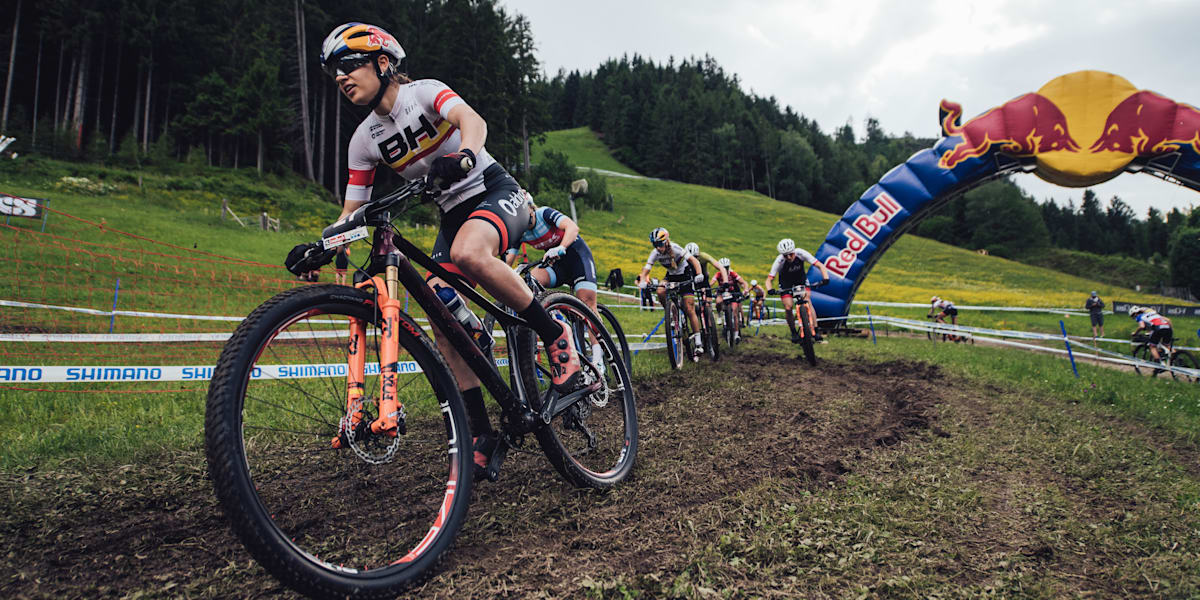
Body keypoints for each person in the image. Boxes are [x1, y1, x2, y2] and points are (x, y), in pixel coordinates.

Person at [305, 22, 580, 476]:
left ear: (383, 63)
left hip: (492, 189)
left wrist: (467, 154)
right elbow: (352, 211)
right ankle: (481, 430)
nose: (340, 78)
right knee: (438, 311)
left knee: (471, 252)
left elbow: (473, 121)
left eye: (348, 66)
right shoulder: (363, 140)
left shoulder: (425, 94)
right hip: (452, 215)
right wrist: (320, 244)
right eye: (334, 73)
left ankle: (555, 334)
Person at [504, 192, 604, 369]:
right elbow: (507, 260)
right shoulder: (518, 231)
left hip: (576, 257)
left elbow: (572, 228)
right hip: (555, 264)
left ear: (530, 208)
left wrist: (562, 247)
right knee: (530, 282)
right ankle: (551, 314)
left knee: (587, 304)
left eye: (522, 211)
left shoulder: (545, 213)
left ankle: (599, 357)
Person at [636, 227, 706, 357]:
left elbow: (694, 261)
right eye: (655, 245)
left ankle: (698, 342)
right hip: (671, 276)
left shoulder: (676, 248)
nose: (658, 247)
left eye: (660, 244)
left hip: (685, 275)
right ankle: (671, 313)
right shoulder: (655, 253)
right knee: (660, 291)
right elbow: (647, 268)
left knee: (689, 308)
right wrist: (643, 281)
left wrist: (699, 274)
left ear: (666, 241)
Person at [764, 238, 829, 343]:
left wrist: (825, 278)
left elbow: (820, 265)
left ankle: (816, 330)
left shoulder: (801, 253)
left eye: (791, 254)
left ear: (794, 251)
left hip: (801, 280)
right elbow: (769, 279)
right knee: (788, 307)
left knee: (807, 300)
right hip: (786, 283)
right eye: (785, 255)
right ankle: (794, 332)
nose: (789, 257)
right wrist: (770, 289)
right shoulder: (779, 260)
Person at [710, 257, 750, 341]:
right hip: (722, 292)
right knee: (718, 301)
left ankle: (736, 335)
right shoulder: (718, 274)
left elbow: (743, 282)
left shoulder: (733, 274)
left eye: (727, 267)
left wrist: (746, 289)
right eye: (723, 267)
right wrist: (707, 289)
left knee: (735, 312)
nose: (725, 269)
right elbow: (712, 283)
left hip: (732, 293)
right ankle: (720, 315)